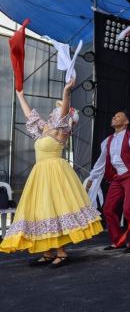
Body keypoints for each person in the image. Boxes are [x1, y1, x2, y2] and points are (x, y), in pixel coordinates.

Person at [0, 79, 102, 267]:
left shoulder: (60, 131)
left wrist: (66, 92)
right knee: (41, 210)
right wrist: (20, 96)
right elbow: (29, 115)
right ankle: (47, 252)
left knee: (56, 209)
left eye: (55, 111)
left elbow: (65, 111)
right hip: (40, 173)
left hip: (55, 172)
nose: (51, 112)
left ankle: (61, 252)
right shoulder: (45, 130)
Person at [87, 111, 130, 253]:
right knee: (107, 209)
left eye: (118, 116)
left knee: (128, 209)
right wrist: (91, 178)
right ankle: (117, 241)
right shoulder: (107, 141)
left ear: (126, 122)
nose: (114, 117)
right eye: (113, 116)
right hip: (117, 178)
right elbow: (100, 163)